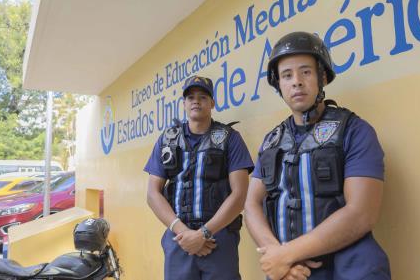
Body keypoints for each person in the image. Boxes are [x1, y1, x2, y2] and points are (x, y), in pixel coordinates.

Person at [244, 32, 391, 280]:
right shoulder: (271, 141)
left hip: (350, 268)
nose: (297, 82)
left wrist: (286, 254)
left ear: (322, 77)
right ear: (278, 84)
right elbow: (251, 204)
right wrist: (274, 253)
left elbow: (361, 213)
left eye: (306, 72)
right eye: (287, 75)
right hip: (289, 272)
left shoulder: (355, 130)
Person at [145, 75, 254, 280]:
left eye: (203, 97)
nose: (196, 101)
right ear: (184, 104)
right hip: (179, 238)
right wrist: (185, 234)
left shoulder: (230, 138)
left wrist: (203, 234)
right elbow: (152, 194)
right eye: (191, 97)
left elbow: (240, 194)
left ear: (212, 103)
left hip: (218, 237)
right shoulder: (167, 140)